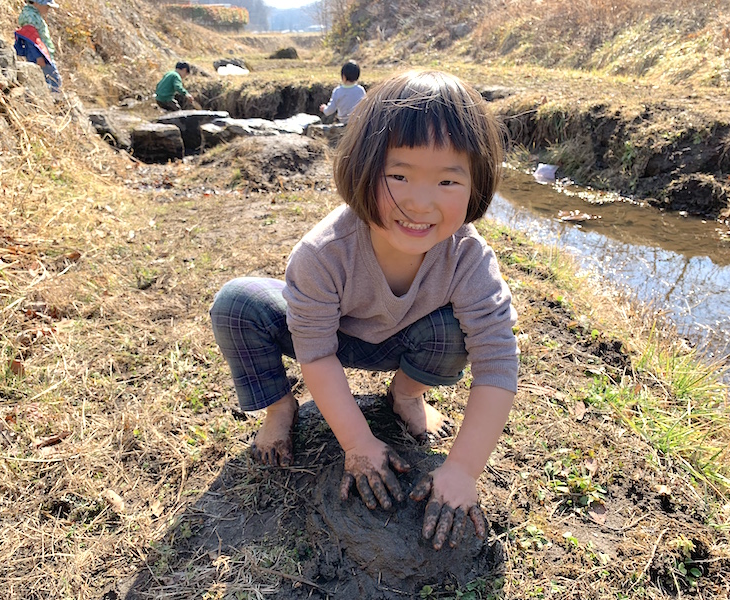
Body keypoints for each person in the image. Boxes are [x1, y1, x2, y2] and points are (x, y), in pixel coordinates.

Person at [210, 70, 518, 551]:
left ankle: (407, 397)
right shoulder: (323, 252)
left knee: (454, 332)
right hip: (330, 338)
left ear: (477, 184)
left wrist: (460, 469)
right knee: (236, 304)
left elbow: (498, 363)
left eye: (447, 180)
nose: (420, 202)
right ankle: (279, 405)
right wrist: (357, 443)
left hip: (404, 341)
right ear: (361, 168)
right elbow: (313, 349)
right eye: (398, 175)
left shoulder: (468, 258)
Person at [15, 0, 62, 93]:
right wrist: (38, 57)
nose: (48, 9)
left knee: (49, 80)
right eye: (47, 6)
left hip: (43, 54)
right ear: (37, 3)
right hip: (40, 55)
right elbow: (30, 40)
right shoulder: (30, 17)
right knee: (54, 80)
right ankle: (55, 102)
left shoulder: (33, 15)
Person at [319, 60, 366, 125]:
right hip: (357, 123)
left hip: (343, 122)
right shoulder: (361, 90)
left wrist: (324, 109)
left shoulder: (338, 91)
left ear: (343, 76)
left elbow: (330, 110)